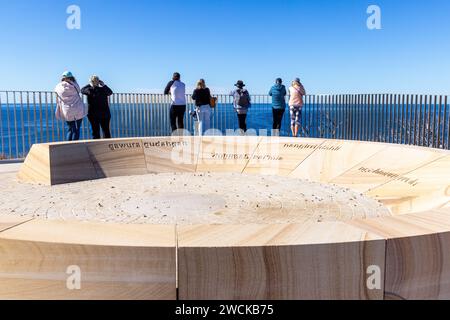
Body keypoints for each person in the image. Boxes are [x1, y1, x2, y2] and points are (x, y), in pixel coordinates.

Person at [54, 71, 87, 141]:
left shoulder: (58, 86)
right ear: (71, 77)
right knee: (76, 129)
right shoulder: (75, 85)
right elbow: (79, 90)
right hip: (78, 109)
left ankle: (68, 146)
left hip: (67, 110)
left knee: (70, 129)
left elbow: (56, 92)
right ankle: (75, 147)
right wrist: (71, 82)